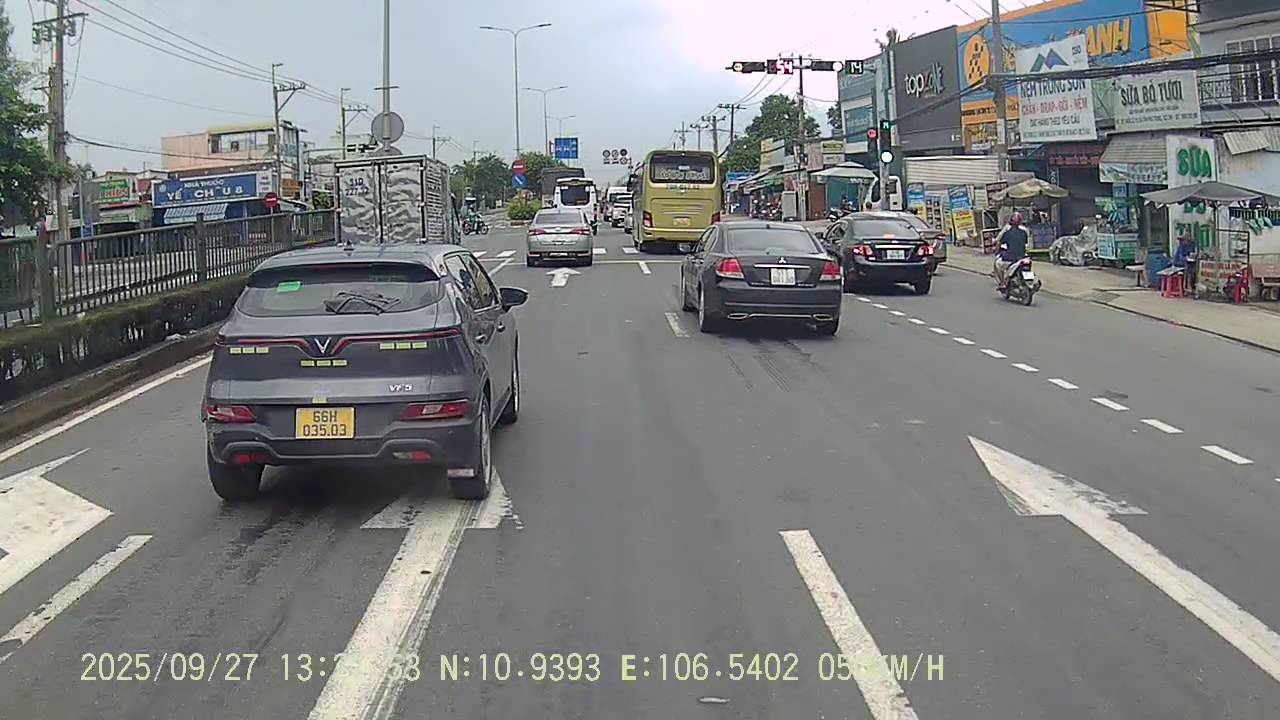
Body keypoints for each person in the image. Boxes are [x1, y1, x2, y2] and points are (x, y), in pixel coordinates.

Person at [994, 211, 1029, 289]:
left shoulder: (1007, 231)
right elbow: (1025, 243)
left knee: (998, 264)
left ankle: (1002, 283)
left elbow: (999, 241)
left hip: (1011, 257)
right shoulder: (1024, 232)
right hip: (1022, 256)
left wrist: (997, 251)